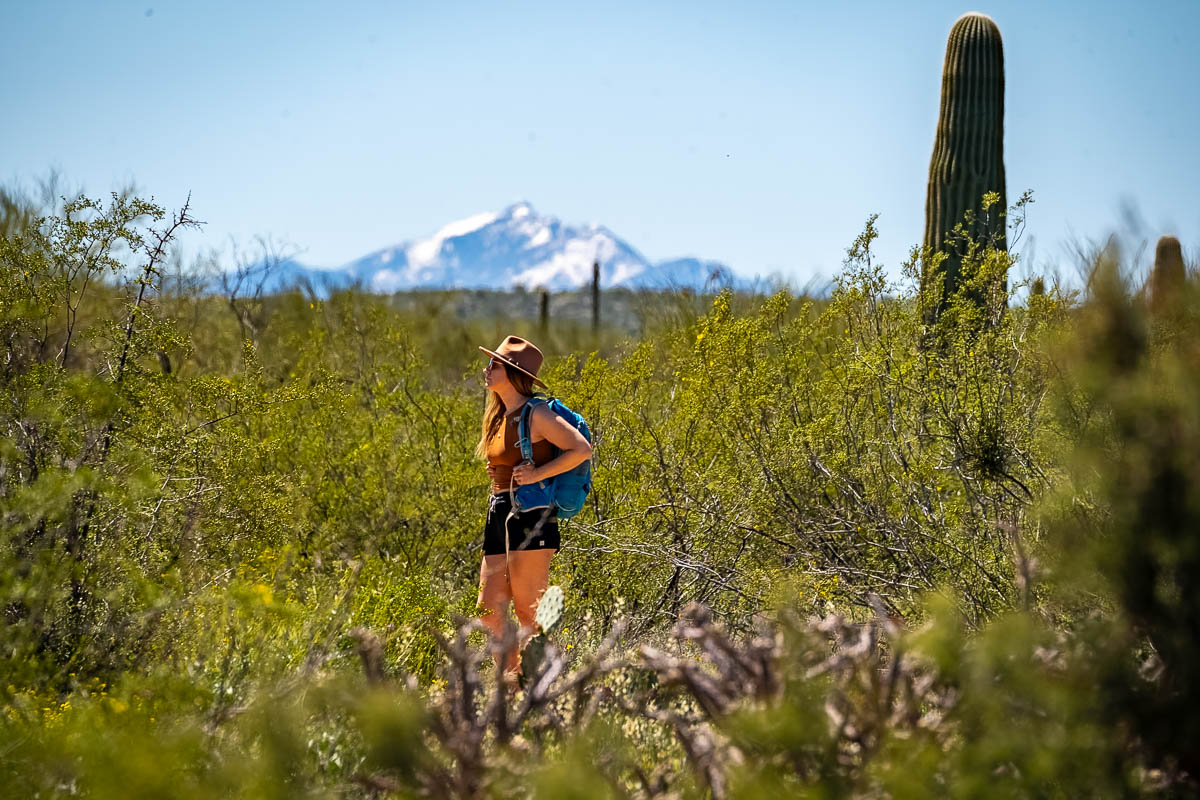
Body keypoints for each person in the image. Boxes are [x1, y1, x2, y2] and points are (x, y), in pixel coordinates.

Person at [475, 335, 593, 683]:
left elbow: (581, 449)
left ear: (512, 372)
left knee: (530, 613)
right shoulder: (499, 415)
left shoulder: (536, 413)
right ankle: (511, 687)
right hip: (500, 512)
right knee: (489, 610)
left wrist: (537, 473)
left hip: (532, 516)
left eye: (493, 364)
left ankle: (536, 691)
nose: (487, 369)